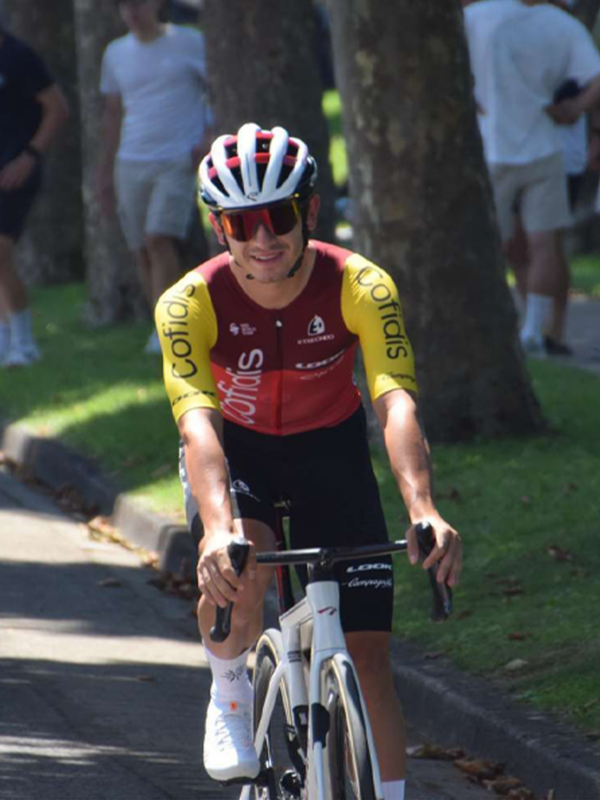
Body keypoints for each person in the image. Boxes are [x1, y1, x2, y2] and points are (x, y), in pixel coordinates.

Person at [155, 123, 463, 800]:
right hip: (237, 454)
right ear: (219, 228)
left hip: (331, 451)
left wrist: (423, 508)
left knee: (370, 659)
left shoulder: (361, 284)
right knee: (242, 566)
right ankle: (229, 692)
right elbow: (198, 425)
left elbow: (395, 401)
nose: (263, 238)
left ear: (311, 211)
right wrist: (216, 531)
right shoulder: (187, 303)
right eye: (242, 223)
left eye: (280, 216)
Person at [463, 0, 600, 356]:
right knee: (541, 243)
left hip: (499, 149)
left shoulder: (476, 16)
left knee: (508, 243)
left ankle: (528, 328)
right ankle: (533, 328)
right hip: (540, 146)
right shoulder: (560, 22)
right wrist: (575, 109)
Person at [97, 0, 211, 354]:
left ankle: (172, 328)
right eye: (125, 5)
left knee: (158, 238)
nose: (131, 11)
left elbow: (216, 90)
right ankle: (161, 324)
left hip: (176, 159)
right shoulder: (115, 53)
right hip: (130, 160)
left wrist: (208, 135)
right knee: (141, 249)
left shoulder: (190, 41)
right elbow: (113, 113)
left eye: (139, 3)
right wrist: (104, 171)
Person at [0, 21, 69, 368]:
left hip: (14, 171)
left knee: (0, 251)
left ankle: (25, 344)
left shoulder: (18, 56)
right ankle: (5, 341)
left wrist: (30, 155)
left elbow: (57, 107)